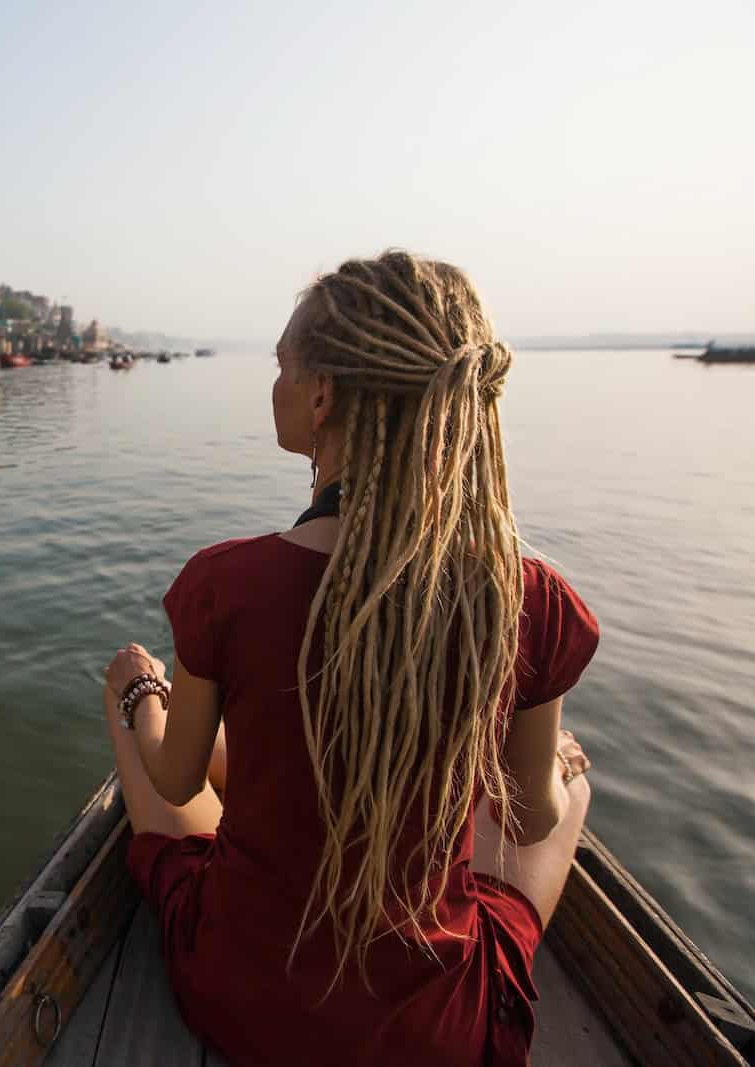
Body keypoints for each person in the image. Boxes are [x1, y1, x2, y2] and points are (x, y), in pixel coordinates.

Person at [103, 251, 598, 1067]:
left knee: (133, 679)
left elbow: (177, 779)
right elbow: (529, 818)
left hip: (244, 997)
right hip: (429, 1033)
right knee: (568, 787)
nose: (274, 385)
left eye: (281, 367)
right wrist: (553, 770)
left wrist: (142, 690)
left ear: (324, 393)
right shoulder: (525, 597)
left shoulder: (226, 584)